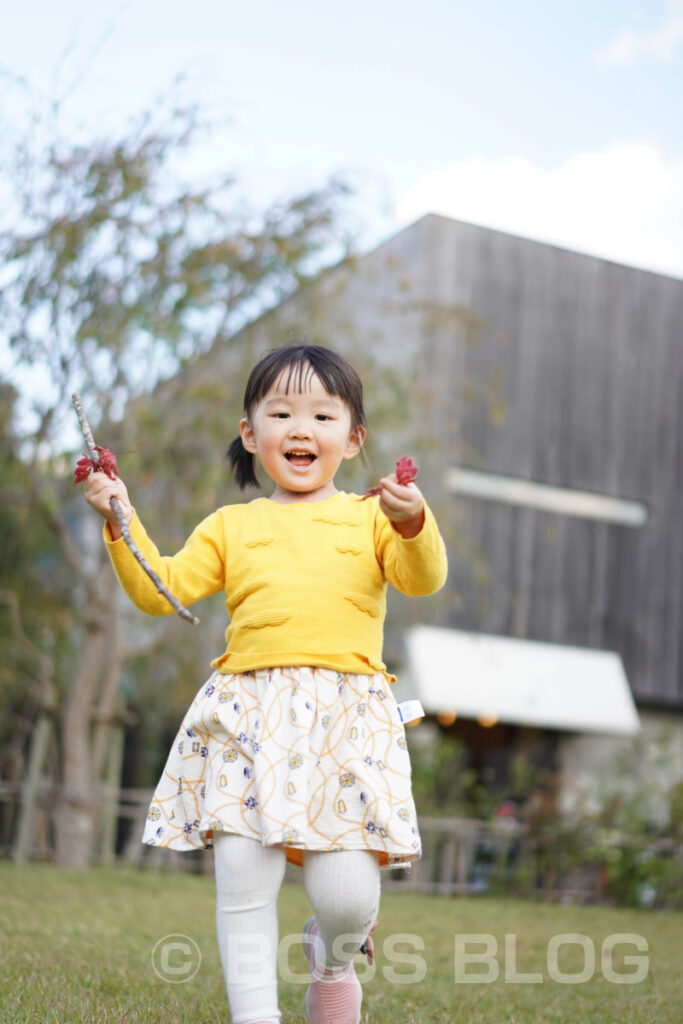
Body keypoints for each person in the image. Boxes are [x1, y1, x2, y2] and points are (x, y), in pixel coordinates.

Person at [84, 343, 447, 1024]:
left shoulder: (372, 516)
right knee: (244, 886)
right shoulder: (233, 524)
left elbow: (422, 578)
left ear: (352, 438)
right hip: (248, 717)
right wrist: (120, 521)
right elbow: (163, 590)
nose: (300, 428)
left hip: (346, 722)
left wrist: (412, 522)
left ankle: (332, 956)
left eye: (321, 414)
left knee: (345, 899)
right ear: (251, 435)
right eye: (280, 412)